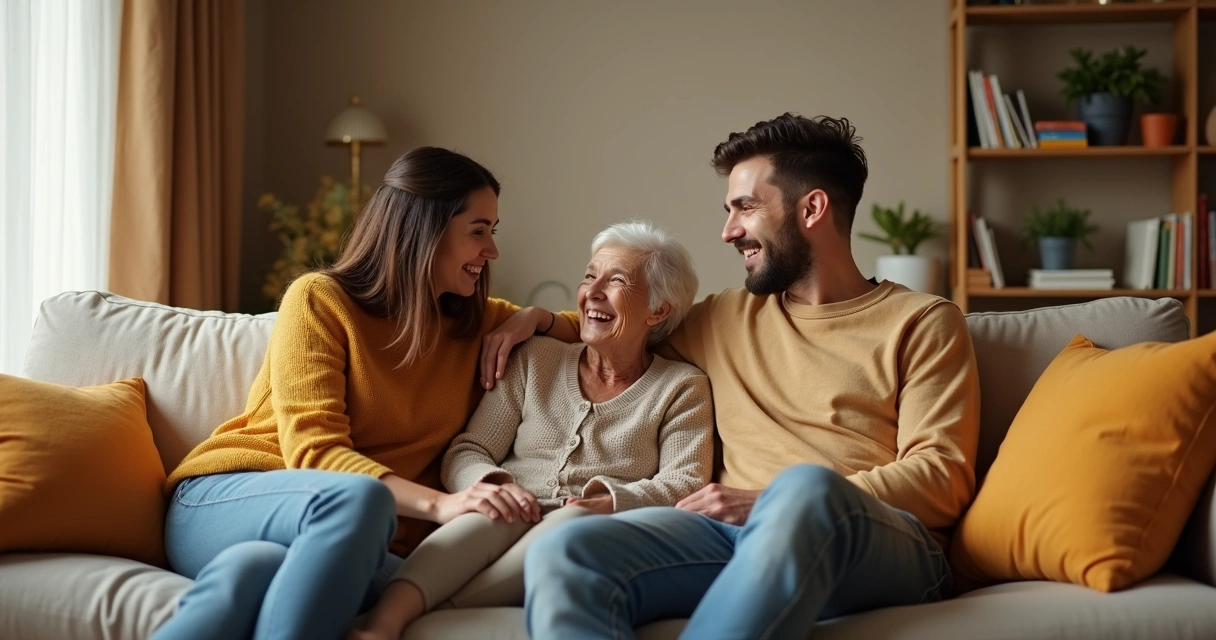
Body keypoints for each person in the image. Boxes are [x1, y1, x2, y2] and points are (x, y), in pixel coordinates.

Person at [487, 113, 981, 639]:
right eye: (728, 211)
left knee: (805, 490)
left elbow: (941, 477)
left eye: (745, 207)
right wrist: (541, 319)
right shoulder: (724, 317)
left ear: (811, 208)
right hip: (731, 538)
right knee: (568, 550)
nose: (728, 232)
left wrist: (771, 500)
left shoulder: (923, 322)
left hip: (879, 545)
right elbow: (624, 326)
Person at [151, 147, 579, 640]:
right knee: (361, 500)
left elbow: (603, 332)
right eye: (478, 231)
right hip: (231, 499)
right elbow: (316, 453)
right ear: (425, 229)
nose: (493, 251)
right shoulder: (319, 300)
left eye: (493, 232)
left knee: (254, 570)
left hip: (351, 539)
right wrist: (442, 505)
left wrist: (537, 318)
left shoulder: (476, 324)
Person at [350, 221, 715, 640]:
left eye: (615, 282)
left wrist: (609, 502)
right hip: (513, 505)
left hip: (588, 526)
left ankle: (428, 617)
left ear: (658, 310)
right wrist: (492, 485)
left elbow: (685, 481)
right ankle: (381, 625)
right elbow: (470, 448)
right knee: (481, 518)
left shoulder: (682, 387)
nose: (592, 292)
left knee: (565, 526)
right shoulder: (536, 359)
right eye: (589, 276)